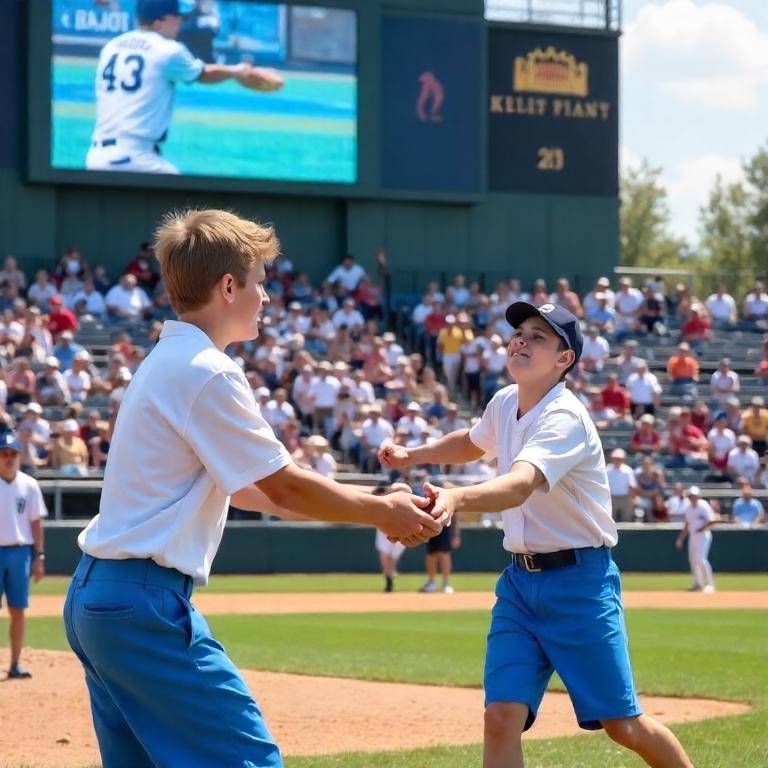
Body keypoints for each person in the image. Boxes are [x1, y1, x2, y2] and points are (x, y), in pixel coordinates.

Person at [63, 209, 444, 768]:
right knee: (253, 762)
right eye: (260, 281)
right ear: (227, 286)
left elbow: (254, 493)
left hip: (100, 597)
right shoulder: (206, 368)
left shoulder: (166, 359)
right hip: (143, 601)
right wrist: (381, 511)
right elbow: (285, 487)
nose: (266, 295)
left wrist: (364, 507)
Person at [380, 300, 694, 768]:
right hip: (520, 587)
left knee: (623, 725)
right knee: (500, 717)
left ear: (564, 360)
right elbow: (471, 441)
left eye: (538, 336)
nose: (521, 339)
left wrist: (456, 499)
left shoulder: (564, 416)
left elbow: (521, 483)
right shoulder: (507, 401)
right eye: (520, 331)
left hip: (580, 584)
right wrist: (412, 455)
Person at [85, 0, 283, 174]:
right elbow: (202, 73)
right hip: (135, 157)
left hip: (96, 156)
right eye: (176, 16)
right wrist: (237, 71)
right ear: (158, 22)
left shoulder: (111, 46)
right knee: (184, 209)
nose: (180, 21)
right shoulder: (167, 50)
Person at [0, 432, 47, 679]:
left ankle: (15, 663)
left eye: (13, 454)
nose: (9, 458)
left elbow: (36, 522)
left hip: (20, 552)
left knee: (18, 608)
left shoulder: (29, 484)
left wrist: (39, 556)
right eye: (5, 453)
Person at [675, 486, 717, 593]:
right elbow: (687, 524)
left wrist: (701, 528)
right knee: (693, 560)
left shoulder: (703, 506)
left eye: (694, 495)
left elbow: (713, 520)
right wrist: (681, 538)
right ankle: (698, 583)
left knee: (701, 559)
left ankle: (709, 584)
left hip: (703, 535)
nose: (692, 497)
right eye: (691, 496)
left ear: (698, 496)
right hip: (693, 536)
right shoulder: (688, 508)